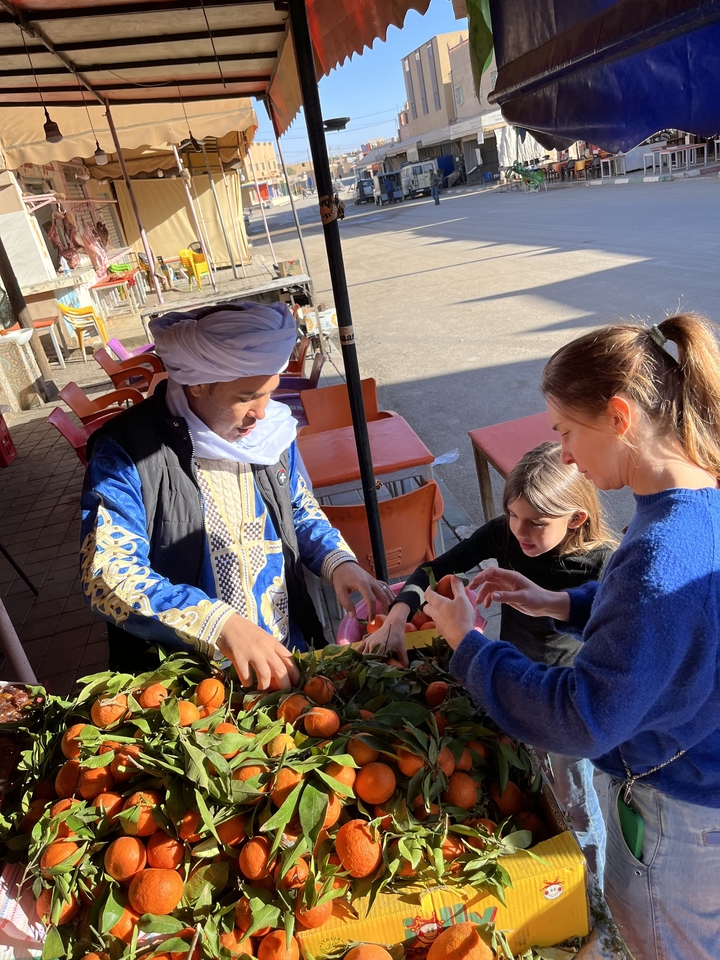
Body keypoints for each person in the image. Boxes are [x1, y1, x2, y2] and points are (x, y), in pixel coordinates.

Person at [422, 314, 720, 960]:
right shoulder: (698, 505)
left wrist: (470, 646)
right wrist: (558, 601)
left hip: (676, 818)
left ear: (618, 417)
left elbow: (581, 717)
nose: (563, 454)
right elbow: (666, 624)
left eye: (565, 431)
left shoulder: (661, 552)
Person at [80, 301, 393, 690]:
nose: (261, 412)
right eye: (247, 396)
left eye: (269, 393)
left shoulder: (271, 434)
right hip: (193, 684)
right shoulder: (125, 451)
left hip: (287, 655)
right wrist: (220, 624)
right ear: (198, 383)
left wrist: (337, 560)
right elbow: (108, 573)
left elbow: (297, 507)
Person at [359, 442, 615, 878]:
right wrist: (399, 615)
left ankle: (592, 883)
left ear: (575, 519)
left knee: (575, 802)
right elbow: (432, 570)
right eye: (513, 515)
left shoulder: (602, 563)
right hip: (512, 684)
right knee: (530, 783)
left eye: (536, 523)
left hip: (565, 707)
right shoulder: (505, 535)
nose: (520, 531)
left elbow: (613, 639)